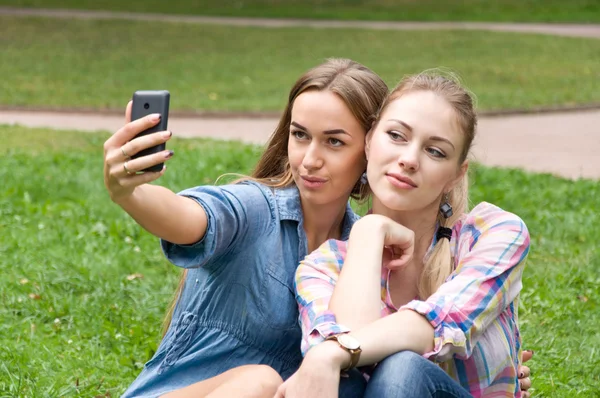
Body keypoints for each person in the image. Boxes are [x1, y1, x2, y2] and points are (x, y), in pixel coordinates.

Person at [103, 58, 389, 398]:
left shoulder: (364, 252)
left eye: (334, 142)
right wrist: (129, 194)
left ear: (370, 151)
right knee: (262, 382)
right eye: (300, 135)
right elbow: (189, 217)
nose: (310, 159)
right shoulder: (254, 208)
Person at [279, 71, 532, 397]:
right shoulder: (322, 267)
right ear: (369, 141)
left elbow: (442, 323)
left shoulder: (492, 235)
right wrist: (369, 233)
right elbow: (345, 364)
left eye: (435, 151)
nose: (409, 159)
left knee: (401, 368)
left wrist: (330, 351)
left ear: (456, 174)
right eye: (396, 136)